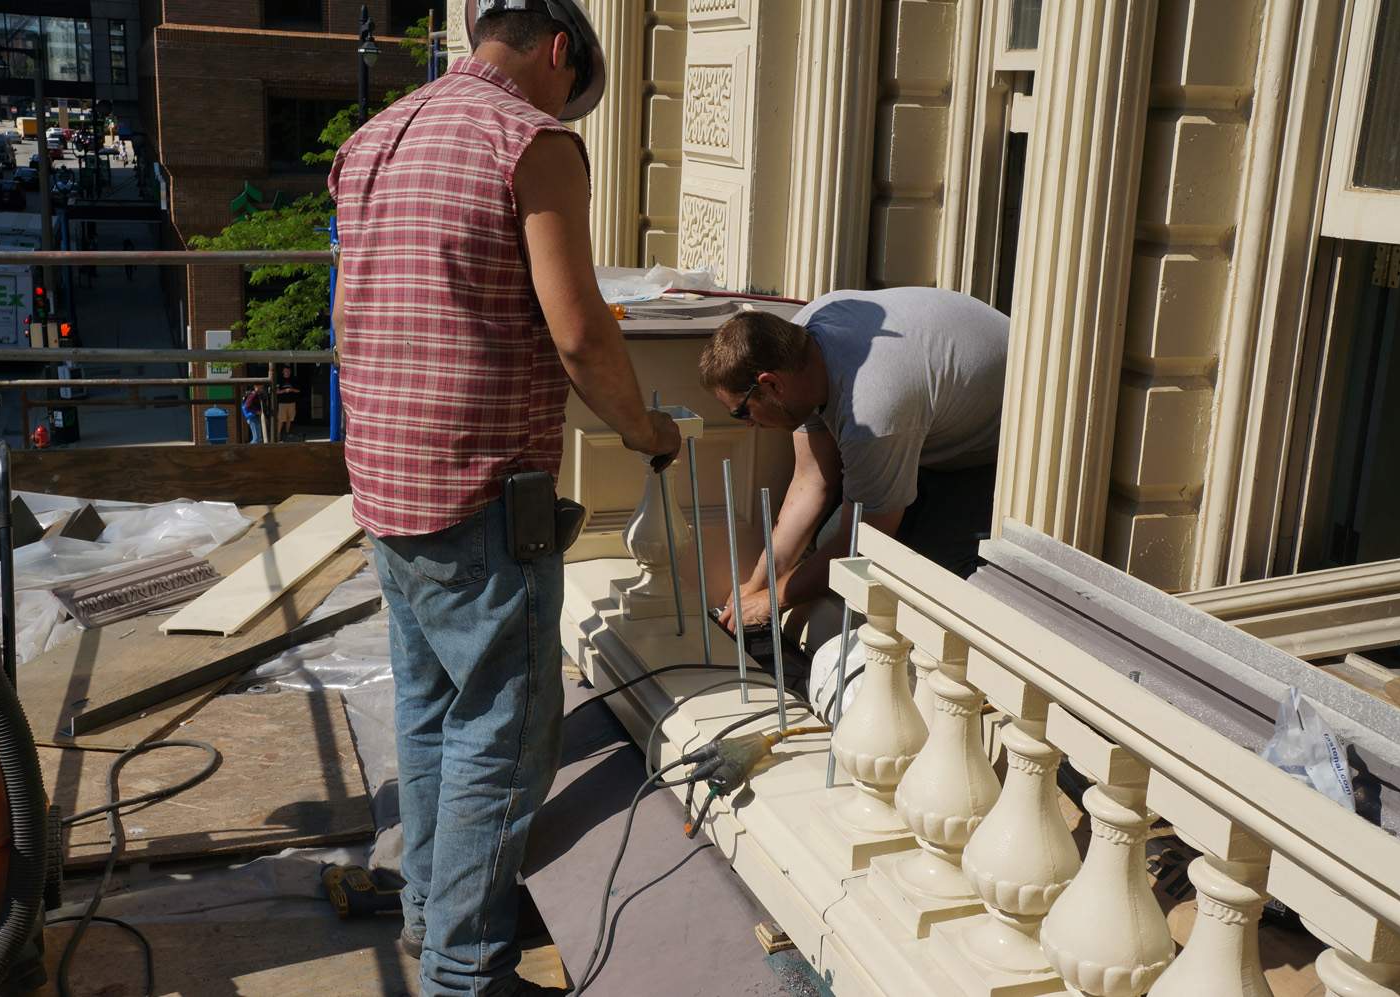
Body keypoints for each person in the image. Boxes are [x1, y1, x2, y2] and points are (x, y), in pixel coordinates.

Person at [327, 3, 679, 995]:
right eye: (577, 86)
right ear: (560, 51)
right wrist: (649, 431)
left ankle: (429, 923)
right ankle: (465, 972)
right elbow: (579, 333)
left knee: (436, 712)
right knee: (503, 734)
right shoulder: (531, 139)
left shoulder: (377, 135)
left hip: (388, 484)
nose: (572, 106)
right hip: (482, 490)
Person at [699, 287, 1009, 633]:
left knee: (925, 583)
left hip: (997, 452)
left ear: (771, 385)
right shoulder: (801, 342)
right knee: (826, 546)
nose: (750, 425)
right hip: (927, 423)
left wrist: (774, 600)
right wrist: (757, 585)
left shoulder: (873, 412)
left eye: (742, 412)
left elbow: (864, 545)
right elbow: (811, 481)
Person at [275, 366, 301, 439]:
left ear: (290, 372)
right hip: (282, 403)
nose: (287, 372)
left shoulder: (293, 379)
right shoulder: (279, 380)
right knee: (281, 419)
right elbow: (276, 392)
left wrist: (292, 389)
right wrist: (285, 390)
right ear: (283, 372)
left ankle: (287, 433)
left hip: (292, 403)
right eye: (285, 371)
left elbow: (298, 390)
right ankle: (278, 434)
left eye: (288, 371)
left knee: (290, 419)